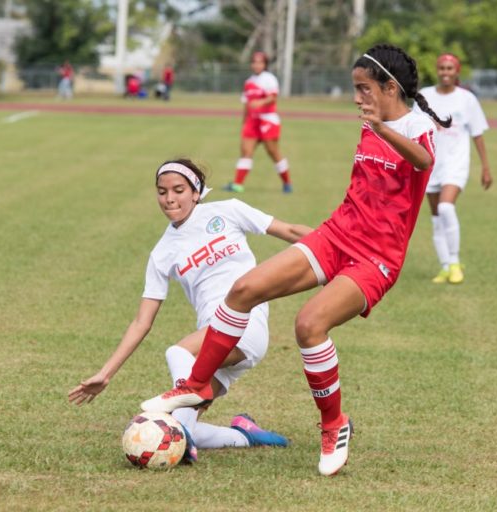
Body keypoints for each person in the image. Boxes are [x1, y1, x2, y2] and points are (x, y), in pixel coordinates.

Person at [141, 44, 451, 476]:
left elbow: (424, 162)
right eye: (355, 89)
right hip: (337, 234)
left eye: (364, 89)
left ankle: (334, 425)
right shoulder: (371, 123)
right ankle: (194, 386)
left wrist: (383, 128)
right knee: (244, 289)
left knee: (309, 326)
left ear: (390, 87)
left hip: (377, 257)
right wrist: (376, 126)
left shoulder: (416, 126)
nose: (357, 98)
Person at [68, 158, 313, 461]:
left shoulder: (228, 210)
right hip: (213, 344)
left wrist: (340, 245)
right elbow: (141, 322)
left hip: (245, 326)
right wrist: (105, 374)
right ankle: (245, 435)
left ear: (196, 192)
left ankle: (185, 431)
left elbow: (289, 230)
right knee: (181, 426)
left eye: (178, 189)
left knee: (177, 352)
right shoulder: (162, 252)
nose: (169, 198)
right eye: (162, 191)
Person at [414, 53, 493, 285]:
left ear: (457, 72)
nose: (445, 72)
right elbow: (414, 130)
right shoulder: (424, 96)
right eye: (442, 68)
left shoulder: (466, 99)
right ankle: (445, 266)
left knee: (446, 207)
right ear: (437, 70)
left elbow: (478, 134)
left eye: (450, 68)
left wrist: (486, 168)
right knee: (437, 217)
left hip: (456, 164)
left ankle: (455, 262)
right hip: (430, 164)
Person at [225, 52, 292, 194]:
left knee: (273, 152)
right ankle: (238, 185)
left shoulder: (269, 79)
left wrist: (260, 102)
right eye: (254, 62)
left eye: (260, 62)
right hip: (252, 121)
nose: (256, 65)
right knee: (246, 152)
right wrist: (244, 122)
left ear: (265, 64)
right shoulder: (248, 81)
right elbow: (247, 104)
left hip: (268, 120)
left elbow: (273, 98)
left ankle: (287, 183)